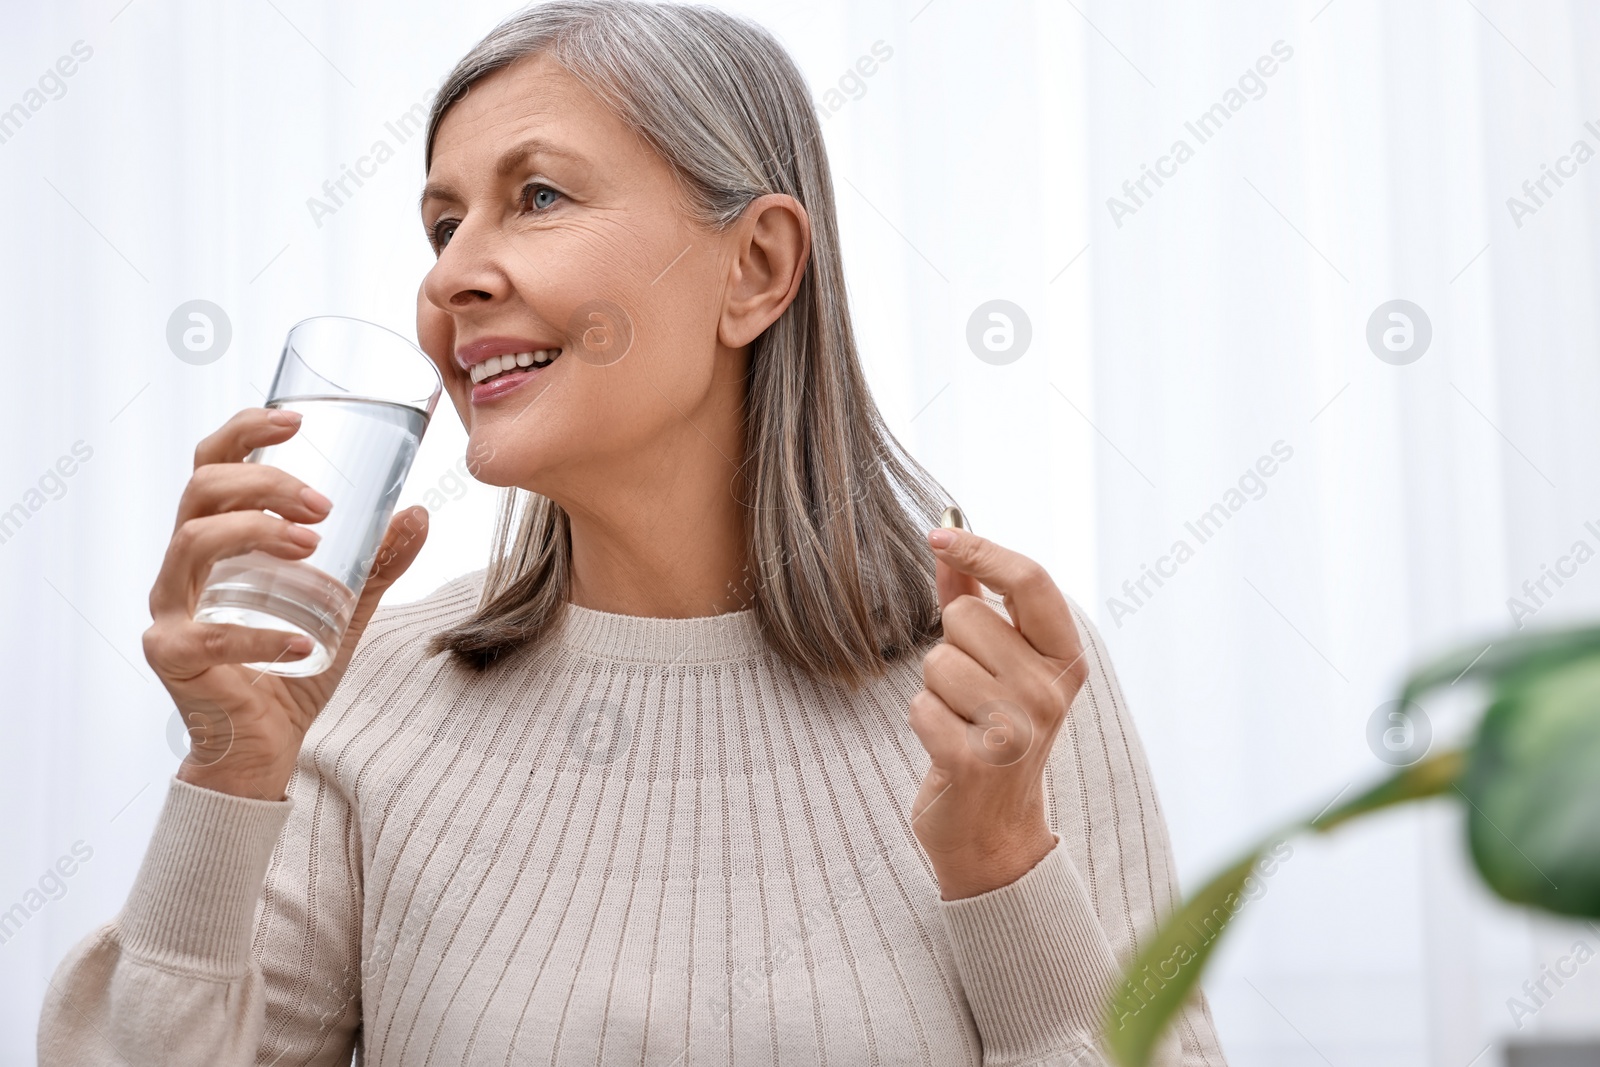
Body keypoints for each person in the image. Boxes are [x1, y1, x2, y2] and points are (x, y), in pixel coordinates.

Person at [38, 1, 1226, 1063]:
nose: (452, 275)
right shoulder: (365, 699)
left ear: (755, 267)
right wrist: (233, 774)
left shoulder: (998, 701)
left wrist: (1002, 867)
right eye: (442, 224)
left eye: (537, 196)